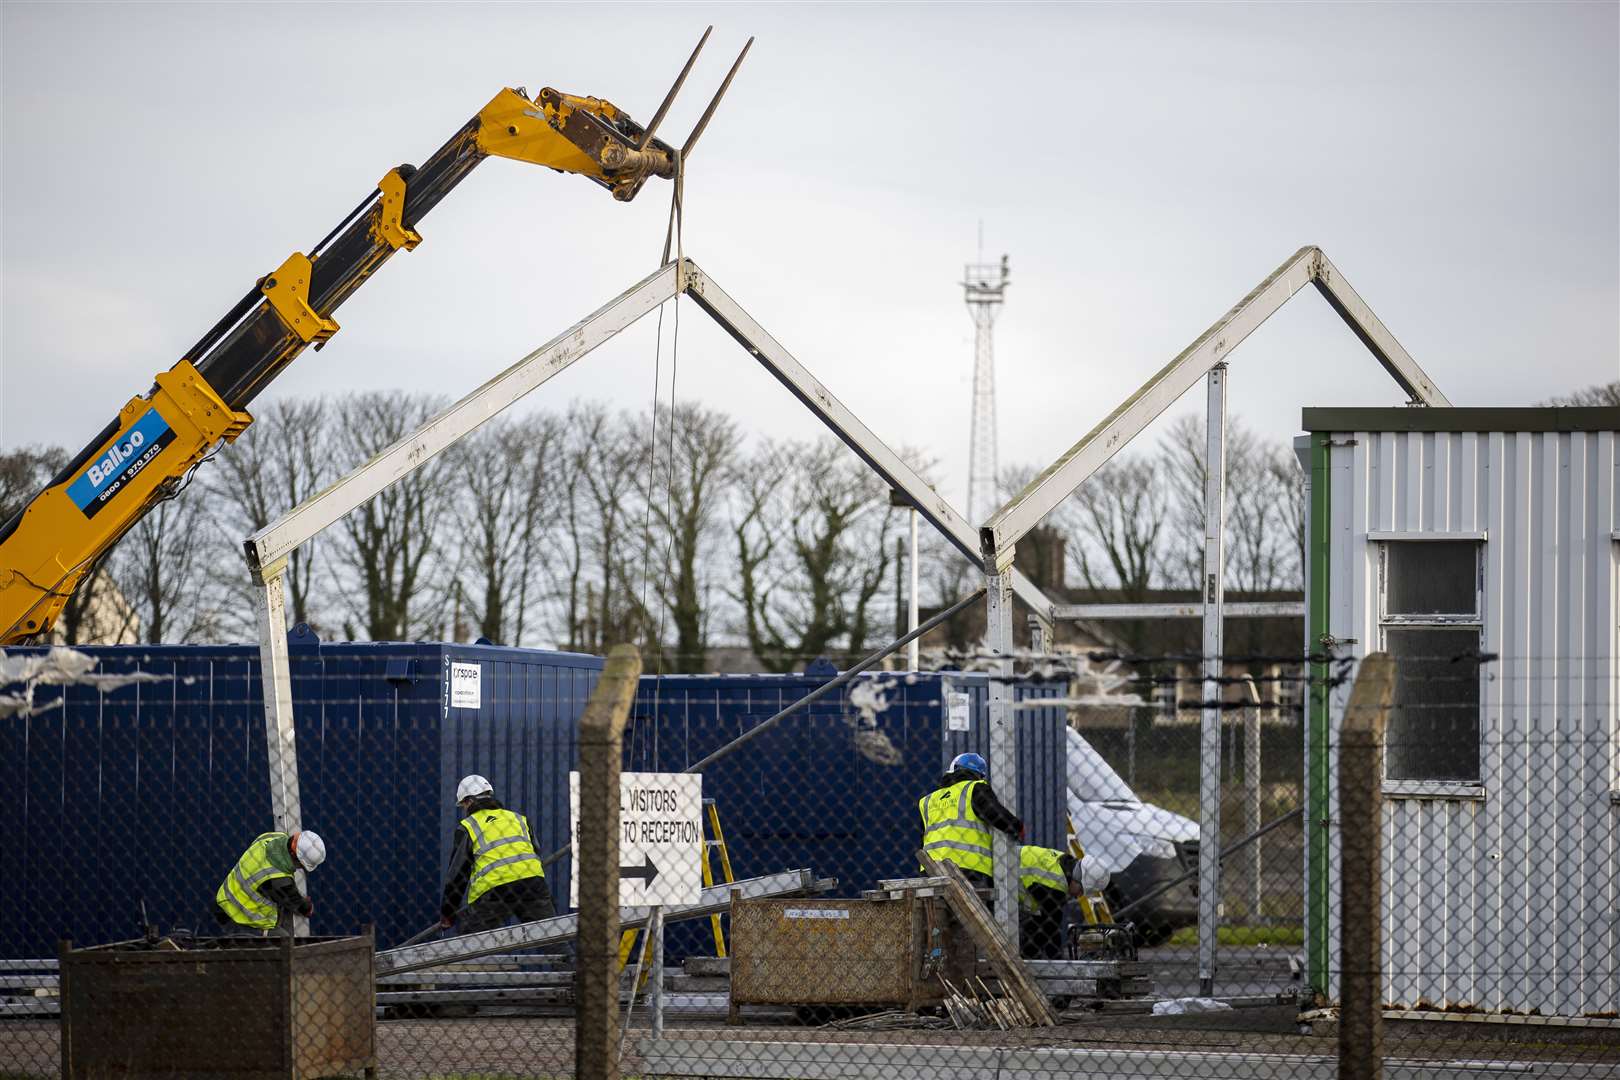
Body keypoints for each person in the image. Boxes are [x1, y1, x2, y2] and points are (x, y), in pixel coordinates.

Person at [440, 774, 555, 934]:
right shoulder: (518, 819)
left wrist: (448, 913)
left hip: (494, 891)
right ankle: (567, 958)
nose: (465, 810)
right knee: (551, 936)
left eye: (464, 805)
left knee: (469, 944)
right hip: (532, 886)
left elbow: (458, 875)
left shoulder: (468, 826)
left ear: (469, 801)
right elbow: (535, 852)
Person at [918, 751, 1022, 906]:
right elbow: (994, 813)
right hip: (968, 870)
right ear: (980, 775)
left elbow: (923, 837)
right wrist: (1017, 827)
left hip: (931, 870)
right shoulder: (974, 788)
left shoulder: (927, 800)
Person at [214, 829, 325, 935]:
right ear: (296, 858)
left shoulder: (270, 837)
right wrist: (307, 906)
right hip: (240, 919)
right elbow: (302, 908)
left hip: (226, 899)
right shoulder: (278, 879)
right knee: (284, 941)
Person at [1018, 844, 1083, 960]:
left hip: (1003, 863)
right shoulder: (1056, 886)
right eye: (1081, 890)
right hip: (999, 871)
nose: (1078, 896)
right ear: (1078, 879)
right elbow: (1051, 933)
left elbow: (1041, 925)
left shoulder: (1061, 865)